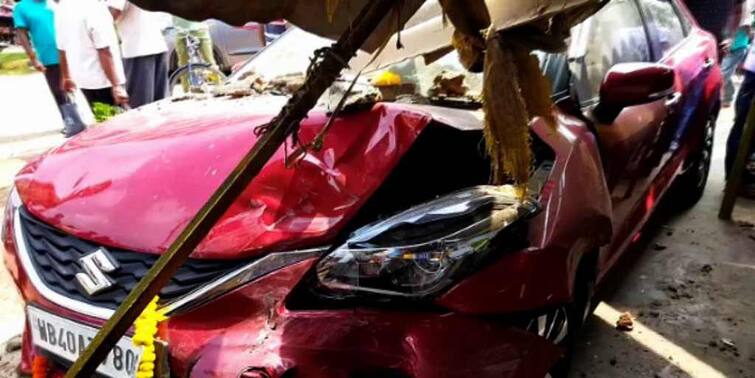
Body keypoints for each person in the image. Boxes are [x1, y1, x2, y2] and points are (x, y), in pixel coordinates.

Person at [55, 0, 128, 107]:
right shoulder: (94, 7)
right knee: (118, 120)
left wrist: (66, 76)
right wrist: (116, 85)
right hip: (104, 81)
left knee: (102, 118)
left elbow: (61, 47)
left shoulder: (62, 7)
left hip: (84, 80)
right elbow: (103, 49)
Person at [106, 0, 169, 108]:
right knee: (161, 106)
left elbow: (113, 12)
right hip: (157, 46)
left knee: (141, 108)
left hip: (138, 50)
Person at [12, 0, 66, 111]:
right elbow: (22, 34)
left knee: (87, 87)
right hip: (49, 56)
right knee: (59, 92)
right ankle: (72, 122)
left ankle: (101, 123)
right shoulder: (21, 7)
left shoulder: (55, 2)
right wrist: (33, 58)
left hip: (71, 51)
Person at [721, 1, 754, 107]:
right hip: (732, 44)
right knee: (726, 70)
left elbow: (746, 27)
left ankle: (718, 96)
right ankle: (728, 96)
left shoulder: (746, 5)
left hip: (737, 46)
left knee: (724, 72)